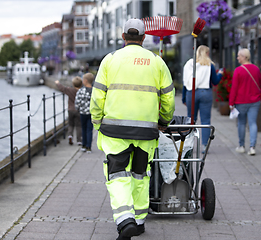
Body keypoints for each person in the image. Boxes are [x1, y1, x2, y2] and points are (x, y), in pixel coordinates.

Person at [90, 18, 175, 240]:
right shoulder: (157, 62)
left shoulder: (110, 60)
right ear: (144, 38)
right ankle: (138, 221)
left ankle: (125, 219)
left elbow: (98, 95)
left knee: (117, 174)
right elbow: (168, 98)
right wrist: (164, 121)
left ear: (123, 37)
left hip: (115, 131)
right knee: (140, 175)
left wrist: (97, 121)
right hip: (146, 131)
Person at [182, 45, 223, 153]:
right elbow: (215, 81)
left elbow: (185, 82)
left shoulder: (190, 64)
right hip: (205, 93)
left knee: (191, 120)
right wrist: (220, 75)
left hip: (192, 93)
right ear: (207, 54)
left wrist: (183, 97)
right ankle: (204, 146)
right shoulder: (209, 65)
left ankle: (189, 145)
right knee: (205, 121)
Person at [229, 48, 261, 156]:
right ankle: (252, 147)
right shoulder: (256, 69)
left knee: (241, 123)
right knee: (253, 123)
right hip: (255, 100)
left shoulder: (238, 70)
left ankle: (241, 146)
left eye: (239, 56)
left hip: (241, 101)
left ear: (244, 57)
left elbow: (234, 88)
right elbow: (260, 83)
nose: (237, 57)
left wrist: (231, 102)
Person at [55, 77, 82, 145]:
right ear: (81, 84)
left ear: (73, 84)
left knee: (71, 124)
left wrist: (58, 83)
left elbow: (62, 88)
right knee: (78, 125)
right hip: (78, 110)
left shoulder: (70, 90)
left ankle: (70, 136)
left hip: (70, 110)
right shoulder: (81, 91)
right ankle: (79, 140)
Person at [75, 72, 95, 153]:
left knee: (83, 128)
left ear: (85, 81)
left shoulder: (81, 91)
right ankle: (89, 147)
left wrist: (78, 108)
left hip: (83, 112)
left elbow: (77, 102)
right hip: (91, 113)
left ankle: (83, 145)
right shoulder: (94, 91)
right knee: (89, 129)